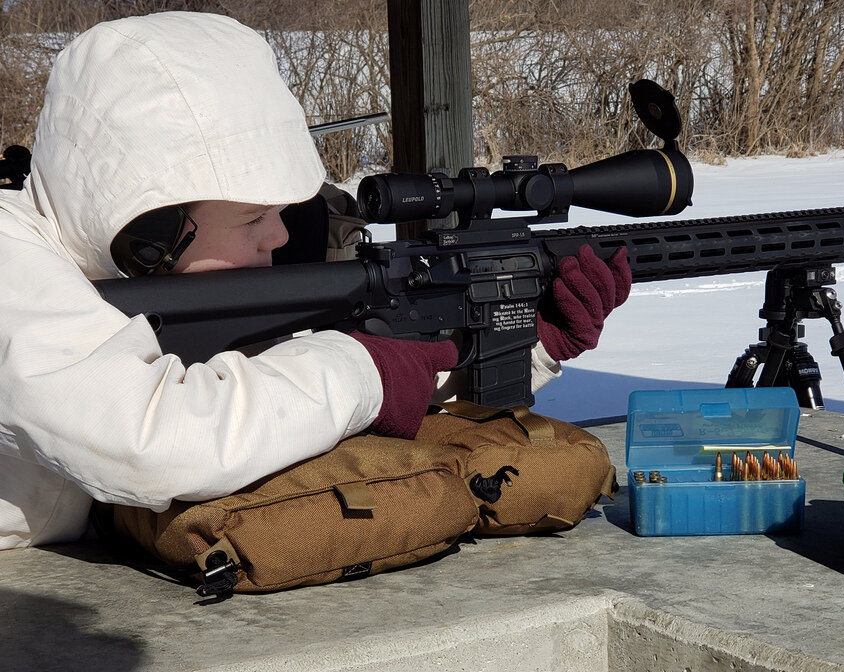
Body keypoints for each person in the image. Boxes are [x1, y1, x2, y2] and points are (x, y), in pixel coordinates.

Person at [0, 12, 630, 551]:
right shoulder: (11, 264)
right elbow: (157, 438)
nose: (277, 237)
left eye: (283, 213)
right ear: (151, 232)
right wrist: (363, 368)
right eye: (253, 217)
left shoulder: (156, 278)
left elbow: (286, 408)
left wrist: (516, 339)